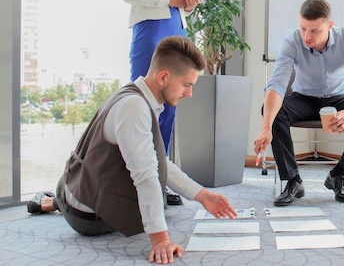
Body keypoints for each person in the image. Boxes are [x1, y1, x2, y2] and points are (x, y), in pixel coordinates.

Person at [26, 36, 238, 264]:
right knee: (154, 202)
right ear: (164, 77)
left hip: (80, 186)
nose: (189, 94)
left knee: (159, 202)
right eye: (187, 85)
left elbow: (158, 162)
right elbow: (146, 175)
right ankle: (54, 202)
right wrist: (160, 241)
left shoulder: (136, 95)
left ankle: (57, 200)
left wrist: (202, 195)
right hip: (87, 216)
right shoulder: (134, 108)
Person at [253, 0, 344, 206]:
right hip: (303, 99)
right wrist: (265, 127)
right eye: (303, 28)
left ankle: (338, 175)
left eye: (314, 30)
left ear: (330, 26)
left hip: (339, 99)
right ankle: (292, 180)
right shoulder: (291, 42)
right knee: (272, 111)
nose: (307, 36)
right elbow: (276, 86)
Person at [119, 0, 202, 206]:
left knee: (170, 105)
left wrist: (189, 4)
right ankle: (137, 178)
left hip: (176, 26)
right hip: (150, 27)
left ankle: (161, 178)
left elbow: (179, 3)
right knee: (144, 100)